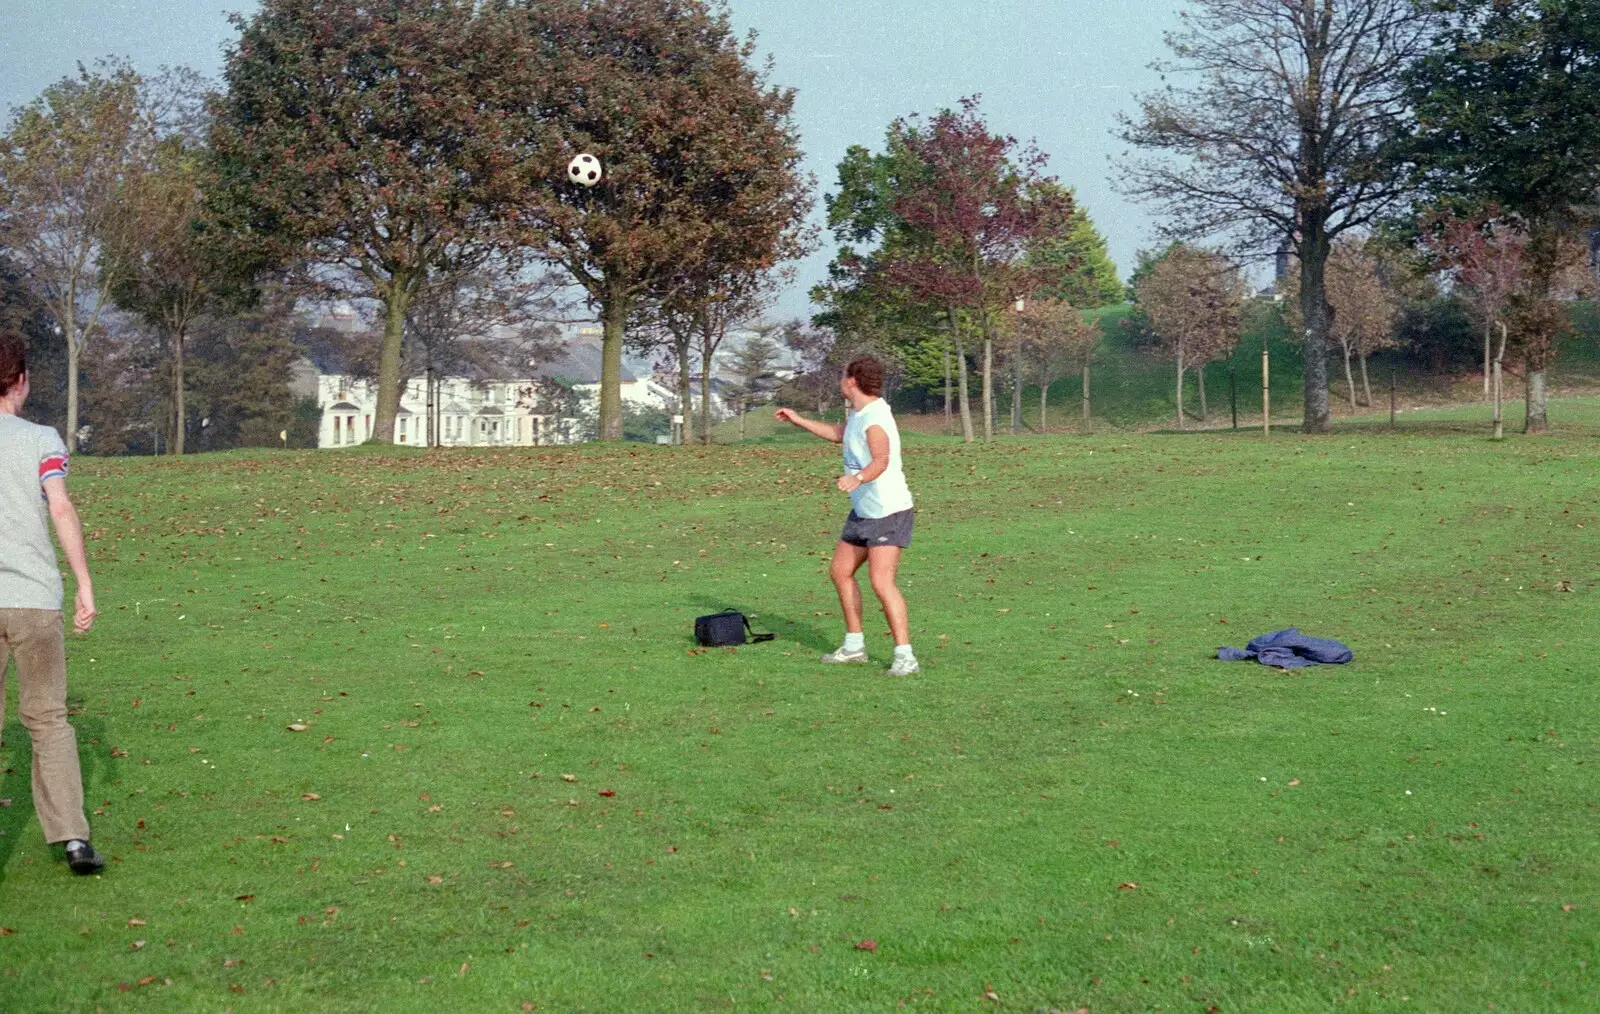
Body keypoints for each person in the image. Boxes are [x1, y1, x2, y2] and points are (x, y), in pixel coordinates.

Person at [0, 331, 104, 874]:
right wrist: (84, 582)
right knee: (48, 719)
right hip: (34, 600)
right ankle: (73, 840)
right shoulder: (41, 438)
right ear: (21, 381)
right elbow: (60, 508)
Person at [775, 356, 919, 676]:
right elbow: (839, 433)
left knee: (881, 582)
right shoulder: (858, 414)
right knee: (840, 571)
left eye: (843, 376)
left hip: (888, 511)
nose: (841, 380)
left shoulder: (876, 418)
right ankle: (854, 647)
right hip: (863, 511)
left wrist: (858, 478)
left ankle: (905, 656)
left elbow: (881, 460)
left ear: (852, 381)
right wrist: (798, 419)